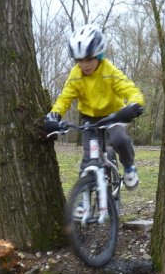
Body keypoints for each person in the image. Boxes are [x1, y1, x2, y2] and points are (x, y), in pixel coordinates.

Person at [46, 24, 145, 190]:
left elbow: (129, 89)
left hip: (113, 116)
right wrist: (54, 114)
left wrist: (134, 104)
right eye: (80, 60)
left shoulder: (109, 70)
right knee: (88, 161)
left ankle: (129, 167)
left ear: (99, 55)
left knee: (119, 140)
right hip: (89, 119)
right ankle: (82, 201)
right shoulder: (76, 75)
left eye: (89, 59)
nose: (85, 65)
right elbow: (65, 98)